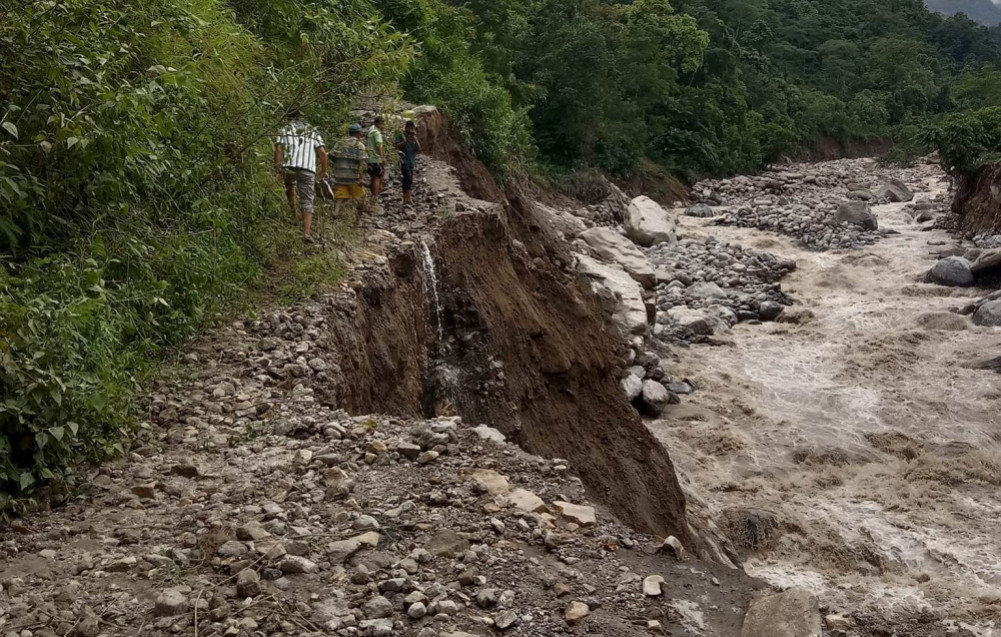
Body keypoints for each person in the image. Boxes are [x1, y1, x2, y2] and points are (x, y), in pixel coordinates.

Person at [275, 110, 327, 243]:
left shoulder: (284, 129)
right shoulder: (312, 131)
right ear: (302, 118)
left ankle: (294, 216)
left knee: (290, 188)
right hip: (307, 168)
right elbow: (322, 152)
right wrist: (324, 171)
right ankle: (306, 233)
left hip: (289, 166)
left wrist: (278, 169)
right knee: (307, 200)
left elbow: (279, 149)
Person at [329, 123, 369, 225]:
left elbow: (331, 155)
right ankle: (357, 220)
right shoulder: (360, 145)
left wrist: (338, 163)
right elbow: (362, 163)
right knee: (361, 198)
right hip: (353, 177)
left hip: (339, 175)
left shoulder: (340, 143)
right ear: (358, 133)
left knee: (341, 196)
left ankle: (335, 212)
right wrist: (362, 178)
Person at [394, 120, 422, 206]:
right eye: (409, 128)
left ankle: (405, 198)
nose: (410, 130)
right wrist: (405, 141)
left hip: (411, 161)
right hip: (403, 159)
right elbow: (396, 146)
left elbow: (419, 150)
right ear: (405, 128)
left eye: (412, 128)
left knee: (407, 179)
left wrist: (415, 140)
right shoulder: (400, 135)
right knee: (408, 177)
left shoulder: (415, 137)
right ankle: (409, 198)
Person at [366, 116, 387, 211]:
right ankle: (374, 199)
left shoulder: (370, 132)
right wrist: (382, 157)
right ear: (379, 123)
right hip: (375, 159)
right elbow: (379, 145)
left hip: (369, 158)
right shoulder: (377, 133)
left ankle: (372, 198)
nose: (384, 126)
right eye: (383, 124)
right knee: (377, 178)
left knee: (373, 177)